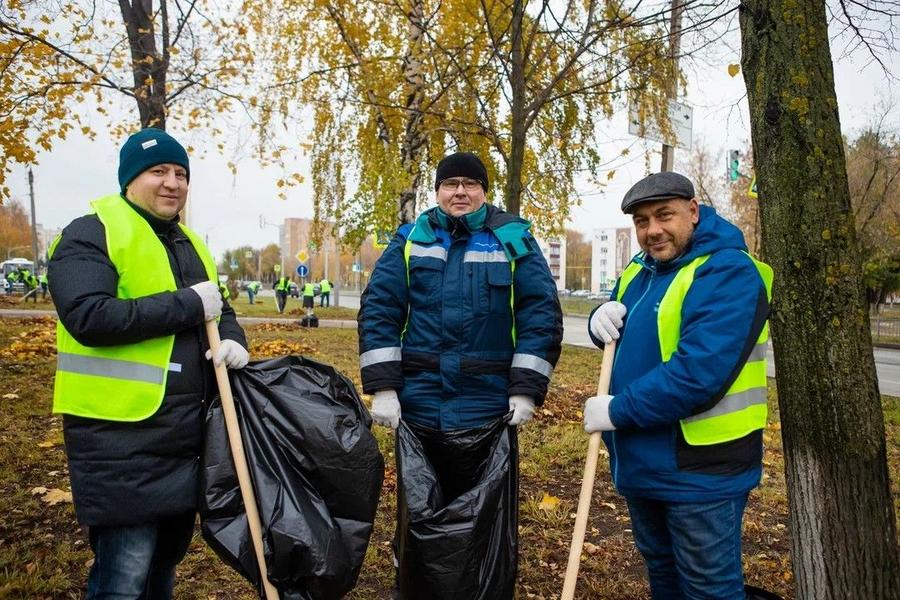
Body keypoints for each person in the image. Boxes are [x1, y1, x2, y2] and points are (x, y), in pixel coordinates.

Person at [48, 128, 250, 600]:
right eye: (158, 171)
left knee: (163, 569)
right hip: (119, 437)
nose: (172, 183)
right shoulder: (90, 232)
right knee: (124, 579)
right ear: (130, 179)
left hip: (183, 437)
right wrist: (188, 304)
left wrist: (234, 340)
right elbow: (88, 316)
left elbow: (218, 309)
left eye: (181, 173)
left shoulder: (189, 242)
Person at [358, 151, 563, 591]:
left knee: (482, 525)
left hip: (486, 406)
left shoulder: (513, 237)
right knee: (422, 517)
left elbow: (540, 312)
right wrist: (384, 387)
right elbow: (380, 308)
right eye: (451, 184)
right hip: (421, 406)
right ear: (438, 191)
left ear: (484, 191)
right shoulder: (411, 238)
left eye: (471, 184)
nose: (460, 192)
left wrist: (525, 389)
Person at [583, 171, 773, 600]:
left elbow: (698, 373)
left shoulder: (728, 271)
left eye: (664, 215)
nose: (652, 230)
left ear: (693, 212)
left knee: (709, 590)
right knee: (664, 577)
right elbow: (628, 331)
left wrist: (616, 410)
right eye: (642, 221)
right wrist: (599, 322)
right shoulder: (640, 270)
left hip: (701, 472)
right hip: (643, 463)